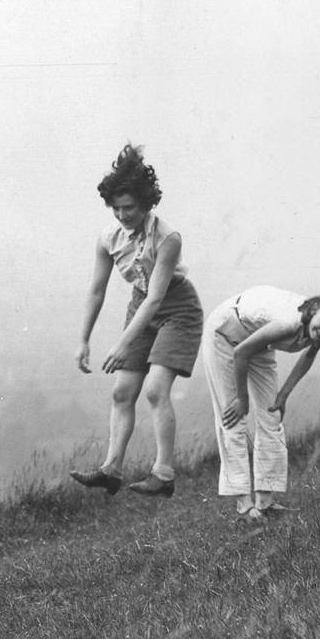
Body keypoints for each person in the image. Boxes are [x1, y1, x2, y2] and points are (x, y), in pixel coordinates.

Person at [70, 144, 203, 498]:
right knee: (122, 391)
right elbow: (96, 290)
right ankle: (111, 469)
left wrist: (122, 343)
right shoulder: (108, 238)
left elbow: (158, 296)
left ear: (146, 203)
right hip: (140, 306)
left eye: (129, 207)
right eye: (115, 208)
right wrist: (84, 339)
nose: (122, 214)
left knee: (156, 389)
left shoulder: (167, 237)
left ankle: (163, 473)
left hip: (177, 308)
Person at [201, 275, 320, 520]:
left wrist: (283, 396)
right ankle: (243, 506)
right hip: (225, 337)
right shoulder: (287, 324)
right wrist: (242, 398)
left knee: (272, 415)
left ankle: (265, 502)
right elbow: (240, 353)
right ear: (314, 310)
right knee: (233, 418)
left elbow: (308, 356)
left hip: (258, 342)